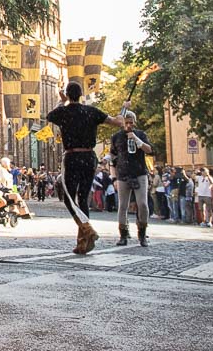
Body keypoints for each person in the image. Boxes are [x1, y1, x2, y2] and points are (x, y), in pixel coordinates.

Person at [47, 83, 124, 254]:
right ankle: (83, 242)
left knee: (68, 198)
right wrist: (122, 112)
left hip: (72, 156)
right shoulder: (91, 111)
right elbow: (117, 122)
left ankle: (87, 229)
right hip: (89, 158)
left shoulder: (63, 112)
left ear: (67, 95)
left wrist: (62, 102)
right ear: (81, 95)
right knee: (83, 198)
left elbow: (49, 116)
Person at [109, 109, 153, 247]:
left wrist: (137, 139)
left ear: (134, 123)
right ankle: (123, 234)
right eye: (126, 122)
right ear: (122, 123)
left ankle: (142, 232)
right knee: (123, 205)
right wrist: (114, 178)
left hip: (139, 172)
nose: (128, 125)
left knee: (143, 204)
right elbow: (113, 159)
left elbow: (149, 150)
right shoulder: (116, 137)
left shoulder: (141, 134)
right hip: (123, 174)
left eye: (131, 123)